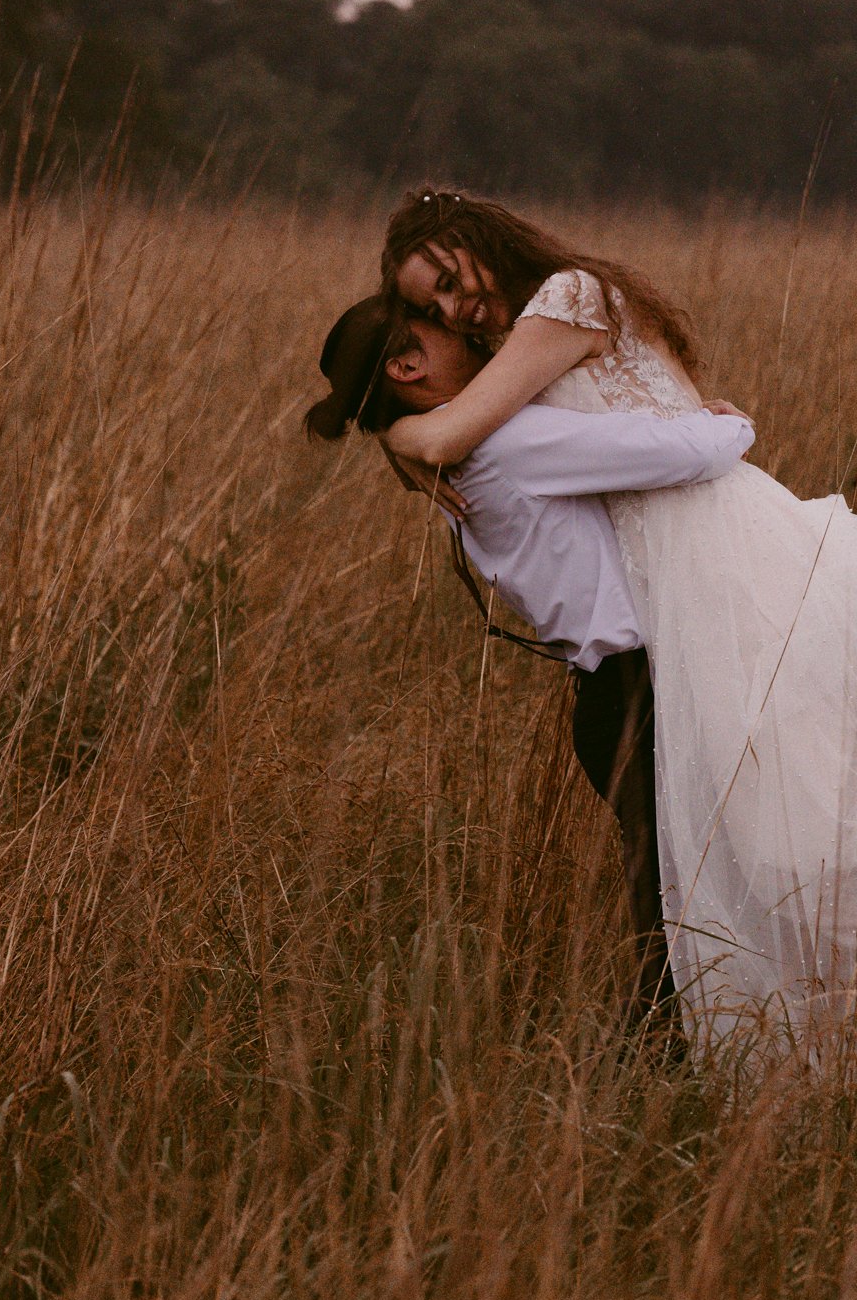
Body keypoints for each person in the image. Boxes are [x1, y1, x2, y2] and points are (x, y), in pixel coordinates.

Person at [375, 187, 857, 1087]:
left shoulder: (565, 297)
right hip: (708, 555)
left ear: (480, 238)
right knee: (804, 806)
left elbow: (450, 430)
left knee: (798, 828)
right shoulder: (548, 325)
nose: (452, 309)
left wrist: (390, 430)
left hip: (707, 562)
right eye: (427, 308)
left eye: (448, 280)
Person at [304, 294, 757, 1048]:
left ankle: (672, 1053)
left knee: (678, 895)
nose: (472, 332)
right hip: (637, 692)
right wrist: (729, 422)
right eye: (439, 328)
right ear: (408, 366)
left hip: (618, 696)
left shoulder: (450, 449)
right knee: (680, 907)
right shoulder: (504, 444)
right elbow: (696, 454)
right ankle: (662, 1062)